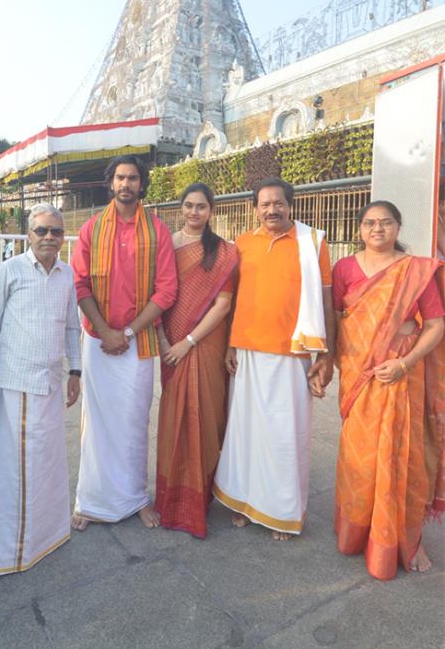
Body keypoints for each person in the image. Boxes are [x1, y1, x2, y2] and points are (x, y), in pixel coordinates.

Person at [213, 178, 335, 540]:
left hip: (291, 354)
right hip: (248, 350)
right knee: (247, 434)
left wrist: (327, 353)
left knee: (285, 437)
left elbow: (327, 300)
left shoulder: (313, 242)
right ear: (255, 208)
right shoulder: (242, 244)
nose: (272, 210)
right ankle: (248, 504)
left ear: (290, 205)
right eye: (264, 204)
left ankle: (281, 513)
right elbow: (235, 298)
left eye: (278, 203)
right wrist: (230, 344)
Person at [332, 200, 444, 579]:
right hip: (357, 375)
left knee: (400, 455)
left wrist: (403, 363)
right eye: (369, 223)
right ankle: (356, 530)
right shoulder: (344, 268)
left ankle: (403, 540)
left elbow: (435, 325)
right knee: (359, 457)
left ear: (398, 227)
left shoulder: (414, 270)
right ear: (359, 229)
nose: (377, 229)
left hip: (400, 375)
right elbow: (338, 320)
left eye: (385, 223)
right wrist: (335, 364)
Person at [0, 204, 81, 575]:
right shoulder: (10, 270)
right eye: (41, 230)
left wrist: (75, 370)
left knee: (47, 461)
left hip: (50, 382)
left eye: (56, 231)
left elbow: (71, 327)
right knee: (14, 466)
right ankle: (6, 549)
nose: (49, 237)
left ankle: (45, 536)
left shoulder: (67, 274)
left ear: (63, 236)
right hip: (16, 383)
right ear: (28, 234)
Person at [71, 155, 177, 530]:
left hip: (138, 341)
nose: (126, 184)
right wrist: (105, 331)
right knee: (96, 421)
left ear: (141, 184)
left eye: (132, 178)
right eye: (120, 177)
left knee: (133, 420)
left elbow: (166, 291)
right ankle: (90, 500)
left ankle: (135, 498)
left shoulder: (157, 231)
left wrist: (127, 333)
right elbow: (80, 284)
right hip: (98, 340)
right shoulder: (91, 229)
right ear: (111, 182)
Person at [155, 183, 238, 538]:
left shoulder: (224, 252)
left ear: (211, 211)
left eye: (201, 206)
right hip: (170, 344)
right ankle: (171, 500)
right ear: (181, 207)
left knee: (204, 417)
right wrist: (164, 341)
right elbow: (156, 296)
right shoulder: (165, 246)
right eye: (188, 205)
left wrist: (187, 342)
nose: (194, 212)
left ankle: (198, 501)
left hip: (204, 344)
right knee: (173, 419)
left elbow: (223, 305)